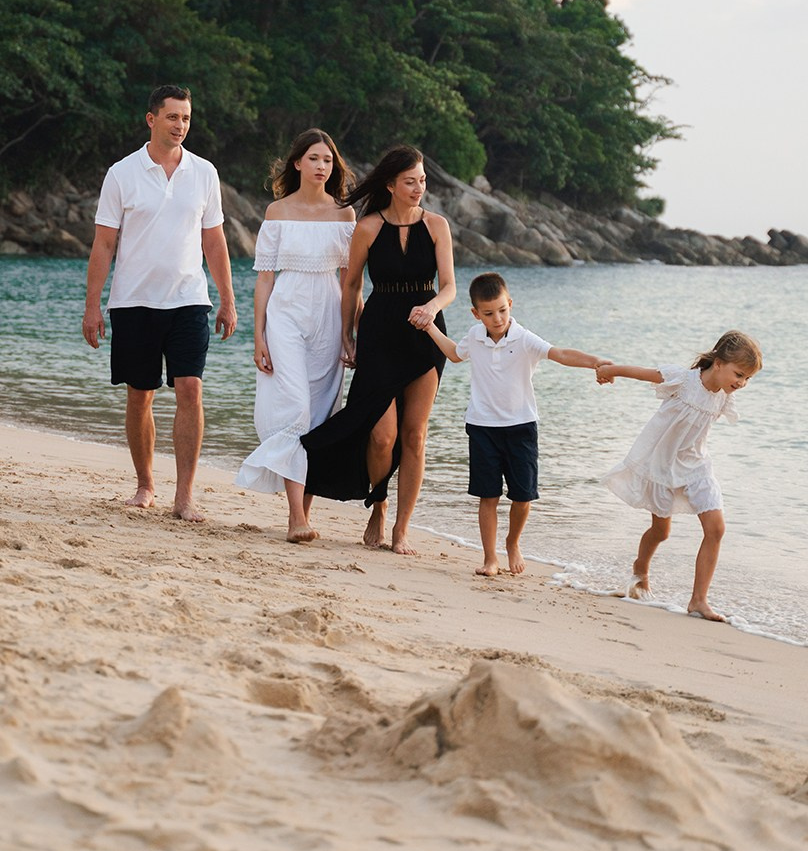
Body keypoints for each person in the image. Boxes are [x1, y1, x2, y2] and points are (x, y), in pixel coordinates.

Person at [82, 84, 237, 521]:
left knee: (190, 389)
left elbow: (215, 240)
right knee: (140, 395)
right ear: (151, 119)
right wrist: (93, 306)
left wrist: (227, 299)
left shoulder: (204, 172)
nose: (181, 125)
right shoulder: (122, 173)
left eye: (186, 118)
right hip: (133, 302)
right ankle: (145, 484)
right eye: (172, 117)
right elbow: (104, 243)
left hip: (190, 300)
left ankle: (184, 495)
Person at [302, 145, 456, 555]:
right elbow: (351, 286)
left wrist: (432, 307)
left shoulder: (438, 225)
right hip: (380, 332)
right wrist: (347, 335)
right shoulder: (367, 227)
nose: (418, 187)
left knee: (415, 435)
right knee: (381, 435)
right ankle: (379, 502)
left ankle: (402, 529)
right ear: (390, 185)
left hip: (425, 335)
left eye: (422, 180)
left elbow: (450, 286)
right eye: (410, 181)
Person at [423, 272, 609, 577]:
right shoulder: (474, 335)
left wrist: (597, 361)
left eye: (502, 310)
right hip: (482, 427)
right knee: (488, 495)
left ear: (510, 304)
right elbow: (455, 355)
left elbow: (559, 354)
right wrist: (430, 326)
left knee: (523, 496)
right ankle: (489, 557)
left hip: (521, 427)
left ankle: (513, 543)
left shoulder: (524, 339)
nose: (497, 318)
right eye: (488, 313)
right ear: (476, 313)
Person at [234, 130, 355, 543]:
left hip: (329, 314)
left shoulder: (345, 214)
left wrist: (349, 335)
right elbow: (265, 279)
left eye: (328, 160)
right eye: (314, 158)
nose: (322, 166)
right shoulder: (277, 211)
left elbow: (350, 281)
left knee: (320, 415)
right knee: (295, 410)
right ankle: (293, 517)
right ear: (298, 163)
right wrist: (259, 336)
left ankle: (304, 512)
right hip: (285, 311)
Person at [596, 330, 763, 622]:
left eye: (748, 379)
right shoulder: (684, 380)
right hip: (662, 466)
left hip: (697, 467)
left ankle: (698, 600)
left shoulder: (723, 397)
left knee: (716, 529)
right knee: (661, 532)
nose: (742, 383)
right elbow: (645, 374)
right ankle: (641, 568)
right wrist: (611, 370)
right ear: (719, 362)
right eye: (739, 374)